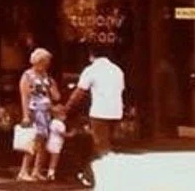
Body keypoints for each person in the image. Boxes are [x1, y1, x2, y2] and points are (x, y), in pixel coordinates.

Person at [68, 47, 125, 188]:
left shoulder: (91, 70)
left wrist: (67, 107)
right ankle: (87, 174)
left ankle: (106, 178)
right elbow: (121, 89)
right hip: (116, 112)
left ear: (92, 56)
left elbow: (79, 92)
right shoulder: (117, 70)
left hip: (100, 112)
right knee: (104, 144)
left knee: (101, 146)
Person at [18, 48, 62, 182]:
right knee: (34, 141)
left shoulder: (47, 77)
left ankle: (36, 170)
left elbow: (56, 96)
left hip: (46, 112)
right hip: (34, 112)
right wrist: (25, 115)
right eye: (46, 60)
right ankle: (24, 170)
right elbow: (25, 97)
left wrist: (51, 84)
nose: (48, 63)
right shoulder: (27, 76)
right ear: (40, 61)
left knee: (43, 142)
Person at [45, 104, 68, 181]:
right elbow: (62, 134)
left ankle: (50, 172)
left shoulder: (52, 122)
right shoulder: (60, 124)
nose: (65, 117)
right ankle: (51, 174)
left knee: (51, 158)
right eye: (63, 115)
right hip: (56, 143)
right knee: (54, 159)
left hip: (50, 142)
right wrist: (71, 134)